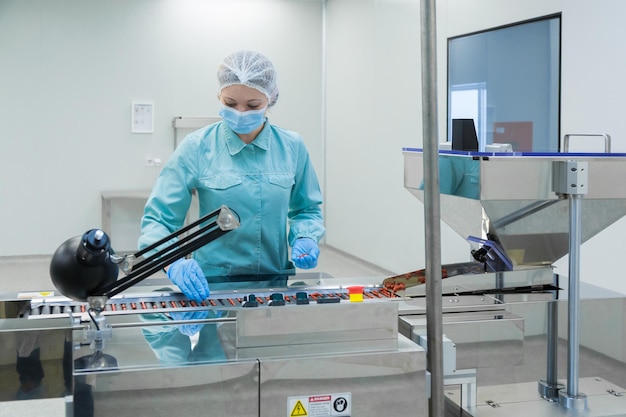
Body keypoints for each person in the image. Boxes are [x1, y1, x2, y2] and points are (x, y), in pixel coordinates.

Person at [138, 50, 325, 303]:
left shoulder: (292, 146)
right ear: (219, 96)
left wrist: (305, 236)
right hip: (210, 290)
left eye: (252, 106)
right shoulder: (196, 147)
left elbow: (307, 208)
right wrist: (172, 262)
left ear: (269, 100)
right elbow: (158, 220)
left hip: (273, 289)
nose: (240, 112)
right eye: (230, 103)